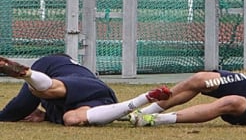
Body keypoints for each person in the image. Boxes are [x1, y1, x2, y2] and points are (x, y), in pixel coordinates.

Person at [0, 54, 171, 126]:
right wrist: (45, 115)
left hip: (79, 85)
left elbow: (20, 107)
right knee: (71, 119)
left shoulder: (50, 61)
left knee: (41, 90)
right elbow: (60, 112)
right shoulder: (77, 69)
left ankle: (28, 74)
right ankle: (143, 99)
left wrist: (3, 116)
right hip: (99, 96)